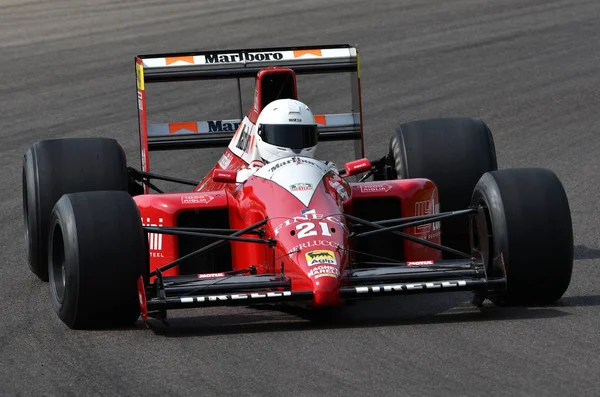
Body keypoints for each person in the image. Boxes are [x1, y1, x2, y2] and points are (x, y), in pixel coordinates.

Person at [236, 99, 337, 182]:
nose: (295, 142)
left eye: (301, 136)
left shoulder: (327, 169)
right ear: (261, 134)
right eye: (284, 136)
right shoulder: (249, 176)